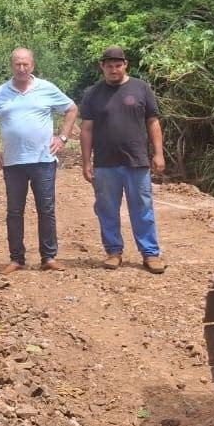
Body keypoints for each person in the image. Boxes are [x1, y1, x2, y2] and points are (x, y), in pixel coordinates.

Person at [0, 48, 78, 274]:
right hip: (13, 163)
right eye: (17, 64)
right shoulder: (0, 93)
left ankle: (49, 257)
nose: (21, 68)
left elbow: (71, 109)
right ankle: (16, 259)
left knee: (46, 209)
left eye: (25, 64)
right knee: (14, 211)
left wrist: (62, 137)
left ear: (32, 65)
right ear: (12, 66)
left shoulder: (47, 88)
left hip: (43, 160)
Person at [78, 46, 167, 273]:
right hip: (106, 163)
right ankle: (113, 251)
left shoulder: (141, 88)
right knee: (107, 208)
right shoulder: (93, 94)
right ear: (102, 67)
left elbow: (153, 122)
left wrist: (158, 153)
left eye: (118, 65)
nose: (114, 70)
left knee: (143, 208)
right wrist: (86, 162)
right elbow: (86, 129)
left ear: (125, 64)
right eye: (109, 66)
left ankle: (150, 254)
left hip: (137, 161)